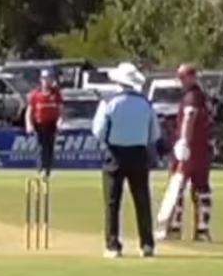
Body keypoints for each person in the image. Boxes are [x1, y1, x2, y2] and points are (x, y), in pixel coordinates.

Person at [91, 62, 160, 258]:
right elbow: (154, 133)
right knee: (142, 200)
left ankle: (113, 246)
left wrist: (109, 140)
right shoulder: (145, 103)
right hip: (138, 154)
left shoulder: (109, 102)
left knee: (112, 202)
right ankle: (147, 244)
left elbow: (98, 131)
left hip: (115, 154)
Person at [155, 64, 214, 242]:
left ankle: (174, 228)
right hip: (202, 150)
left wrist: (183, 142)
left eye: (183, 77)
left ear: (191, 77)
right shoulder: (201, 96)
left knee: (178, 187)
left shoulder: (191, 97)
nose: (181, 81)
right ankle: (202, 230)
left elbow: (189, 118)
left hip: (189, 151)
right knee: (202, 188)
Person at [25, 69, 63, 179]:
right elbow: (29, 111)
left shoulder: (56, 94)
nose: (47, 81)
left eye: (50, 79)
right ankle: (41, 169)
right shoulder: (35, 94)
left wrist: (60, 120)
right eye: (45, 79)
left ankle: (48, 170)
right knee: (41, 147)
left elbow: (60, 110)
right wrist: (29, 124)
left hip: (51, 124)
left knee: (50, 147)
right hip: (39, 124)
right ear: (41, 80)